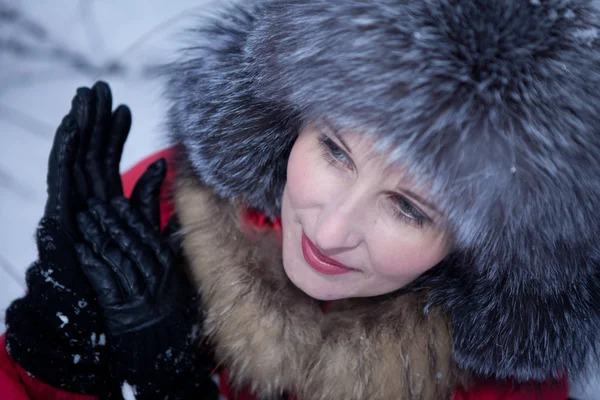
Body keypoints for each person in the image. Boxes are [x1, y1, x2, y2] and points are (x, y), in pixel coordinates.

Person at [2, 0, 599, 398]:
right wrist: (58, 369)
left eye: (409, 208)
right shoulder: (160, 207)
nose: (332, 229)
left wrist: (171, 386)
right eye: (336, 151)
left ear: (490, 249)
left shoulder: (495, 385)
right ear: (292, 119)